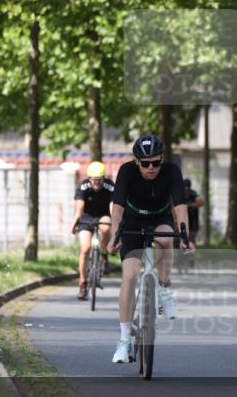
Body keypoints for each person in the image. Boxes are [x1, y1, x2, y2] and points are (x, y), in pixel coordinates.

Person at [107, 135, 194, 364]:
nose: (151, 168)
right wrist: (114, 235)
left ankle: (164, 287)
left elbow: (181, 207)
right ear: (137, 161)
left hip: (160, 218)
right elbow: (116, 209)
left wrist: (185, 236)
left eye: (155, 162)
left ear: (162, 159)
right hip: (132, 222)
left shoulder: (172, 171)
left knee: (166, 240)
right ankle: (124, 340)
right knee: (130, 276)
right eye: (145, 163)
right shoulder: (126, 171)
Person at [71, 161, 115, 300]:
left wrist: (116, 222)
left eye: (99, 180)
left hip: (103, 215)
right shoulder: (83, 187)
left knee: (106, 228)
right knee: (85, 249)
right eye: (94, 180)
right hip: (87, 217)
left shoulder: (110, 186)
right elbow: (79, 208)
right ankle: (83, 284)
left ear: (104, 178)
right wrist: (75, 222)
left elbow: (113, 206)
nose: (97, 183)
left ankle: (104, 256)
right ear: (89, 179)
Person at [184, 179, 205, 244]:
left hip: (193, 218)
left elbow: (201, 202)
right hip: (184, 217)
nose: (186, 190)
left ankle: (192, 250)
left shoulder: (193, 194)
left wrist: (191, 205)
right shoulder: (180, 193)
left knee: (192, 237)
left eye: (187, 188)